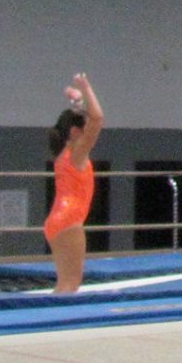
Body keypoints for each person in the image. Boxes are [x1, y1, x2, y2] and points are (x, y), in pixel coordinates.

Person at [44, 73, 104, 294]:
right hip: (70, 219)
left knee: (64, 283)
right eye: (84, 127)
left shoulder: (64, 155)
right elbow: (97, 119)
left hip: (57, 219)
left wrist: (77, 102)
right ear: (74, 132)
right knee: (71, 284)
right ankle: (54, 324)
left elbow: (87, 118)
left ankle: (50, 321)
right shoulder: (76, 153)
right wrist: (86, 88)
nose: (89, 131)